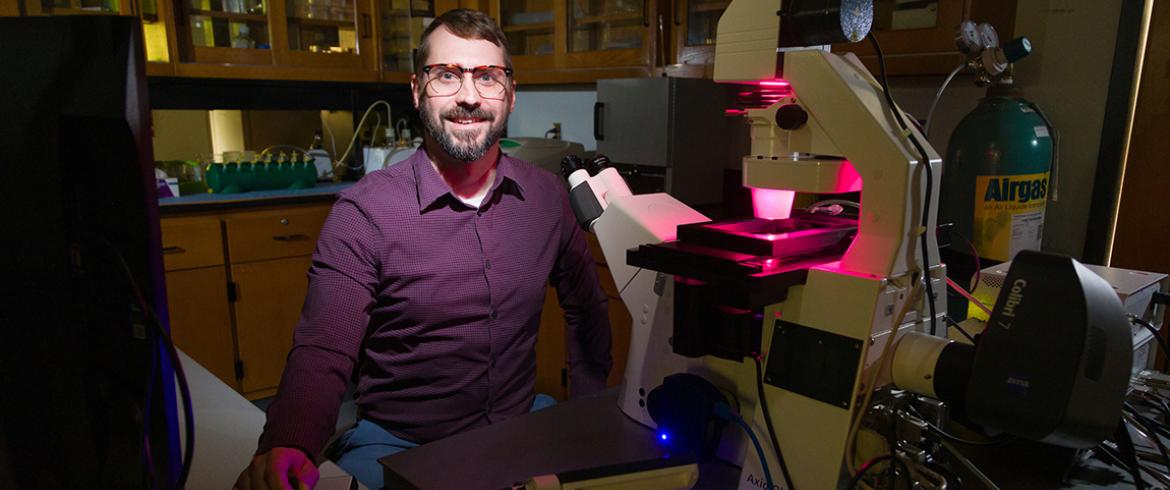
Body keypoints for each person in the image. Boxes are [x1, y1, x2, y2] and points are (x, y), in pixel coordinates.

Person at [234, 9, 613, 490]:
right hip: (400, 443)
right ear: (417, 91)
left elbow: (587, 309)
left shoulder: (547, 198)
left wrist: (587, 408)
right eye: (447, 75)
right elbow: (324, 346)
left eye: (488, 77)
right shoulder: (364, 213)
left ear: (511, 95)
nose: (469, 97)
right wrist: (290, 440)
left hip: (522, 425)